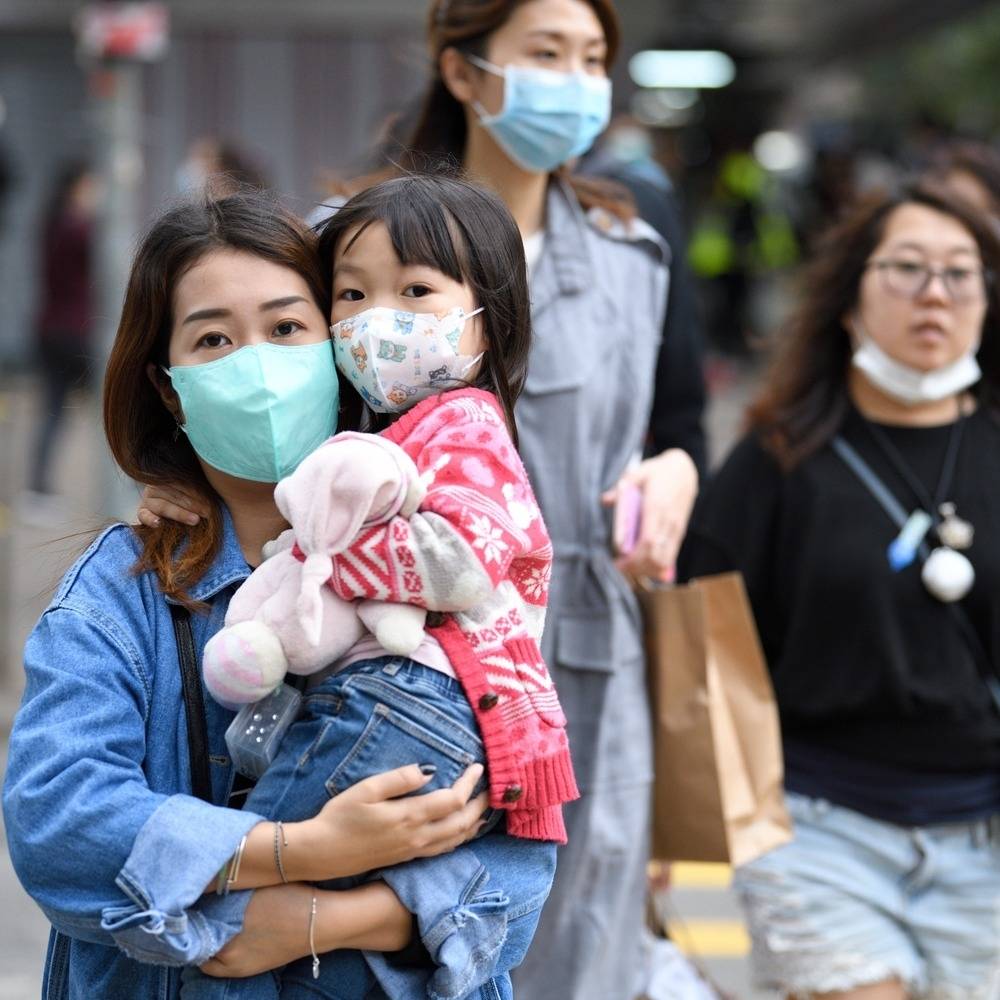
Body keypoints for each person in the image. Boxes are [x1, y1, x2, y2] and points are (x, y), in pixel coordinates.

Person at [2, 192, 493, 1000]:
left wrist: (339, 919)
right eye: (214, 339)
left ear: (335, 341)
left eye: (287, 327)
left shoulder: (449, 550)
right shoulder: (119, 597)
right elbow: (57, 822)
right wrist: (298, 850)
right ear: (169, 388)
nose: (257, 362)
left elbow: (523, 848)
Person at [349, 4, 701, 997]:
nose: (575, 81)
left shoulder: (633, 255)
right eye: (545, 54)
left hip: (588, 654)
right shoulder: (354, 246)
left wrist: (673, 472)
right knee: (411, 934)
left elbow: (678, 424)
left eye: (592, 59)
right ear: (463, 73)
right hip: (398, 650)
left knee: (583, 944)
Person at [175, 174, 570, 1000]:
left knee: (226, 887)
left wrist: (319, 566)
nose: (374, 318)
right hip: (403, 695)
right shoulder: (390, 433)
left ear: (487, 318)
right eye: (350, 293)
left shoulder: (464, 421)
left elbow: (461, 557)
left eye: (416, 290)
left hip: (412, 695)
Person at [678, 180, 1000, 1000]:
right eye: (907, 268)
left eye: (962, 273)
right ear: (850, 296)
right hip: (822, 833)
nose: (936, 293)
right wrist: (708, 847)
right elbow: (703, 657)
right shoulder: (776, 461)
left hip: (985, 838)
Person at [21, 161, 98, 519]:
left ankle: (37, 488)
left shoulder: (54, 223)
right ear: (78, 187)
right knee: (122, 404)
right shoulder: (78, 228)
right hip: (74, 333)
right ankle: (134, 485)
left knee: (53, 411)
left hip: (51, 328)